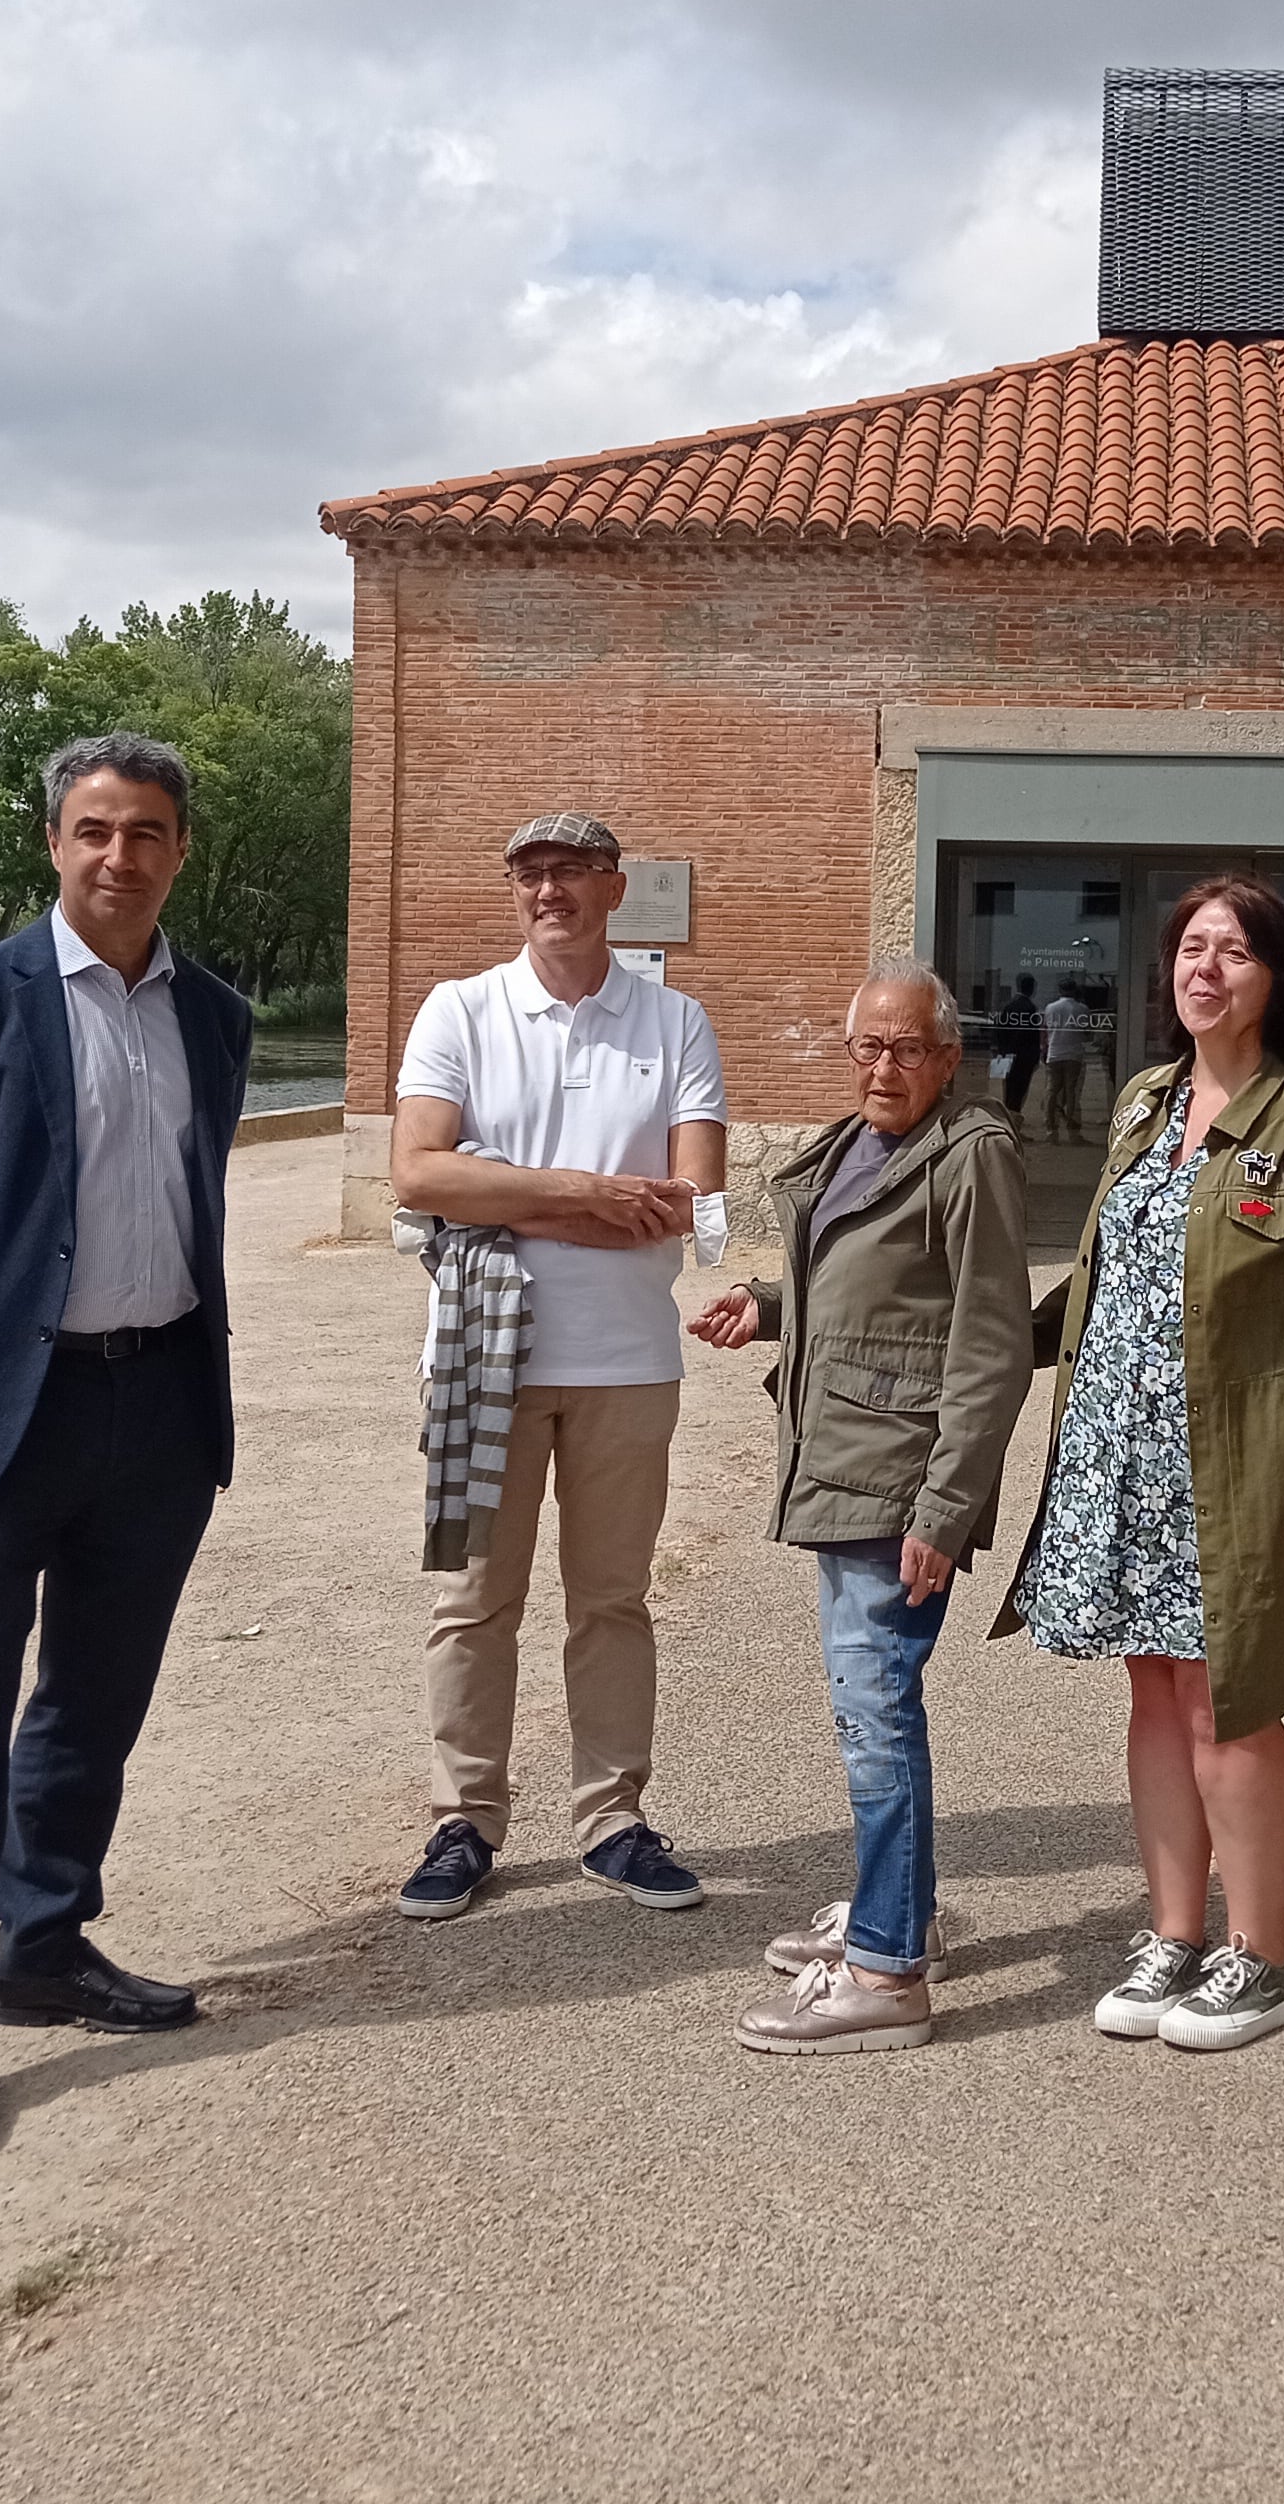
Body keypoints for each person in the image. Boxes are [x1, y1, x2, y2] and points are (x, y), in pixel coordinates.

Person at [0, 734, 253, 2165]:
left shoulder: (213, 1012)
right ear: (53, 842)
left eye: (146, 832)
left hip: (153, 1411)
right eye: (93, 829)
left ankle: (47, 1943)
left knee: (92, 1704)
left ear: (179, 851)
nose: (118, 855)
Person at [992, 875, 1284, 2053]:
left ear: (1277, 976)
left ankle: (1258, 1953)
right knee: (1151, 1683)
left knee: (1228, 1701)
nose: (1204, 968)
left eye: (1232, 950)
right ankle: (1174, 1930)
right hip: (1118, 1454)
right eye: (1189, 947)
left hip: (1237, 1463)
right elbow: (1094, 1283)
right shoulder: (1139, 1102)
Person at [388, 810, 729, 1922]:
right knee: (473, 1597)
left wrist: (507, 1195)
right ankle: (463, 1817)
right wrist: (587, 1194)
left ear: (613, 887)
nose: (550, 891)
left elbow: (690, 1203)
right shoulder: (462, 1010)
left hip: (627, 1360)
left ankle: (612, 1818)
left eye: (571, 872)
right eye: (530, 872)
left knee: (612, 1600)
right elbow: (419, 1177)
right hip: (485, 1354)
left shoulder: (676, 1021)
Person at [688, 961, 1030, 2053]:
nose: (884, 1067)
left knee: (875, 1711)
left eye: (907, 1049)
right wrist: (773, 1302)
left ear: (947, 1058)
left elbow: (988, 1344)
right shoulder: (853, 1147)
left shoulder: (970, 1156)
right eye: (867, 1048)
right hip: (839, 1463)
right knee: (870, 1707)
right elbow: (879, 1292)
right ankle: (906, 1916)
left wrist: (946, 1505)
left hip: (897, 1480)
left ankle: (884, 1970)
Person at [1037, 978, 1090, 1140]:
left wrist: (1044, 1049)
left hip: (1054, 1052)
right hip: (1074, 1054)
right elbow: (1087, 1033)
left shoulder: (1050, 1008)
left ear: (1059, 990)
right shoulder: (1082, 1009)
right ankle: (1071, 1124)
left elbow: (1044, 1031)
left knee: (1051, 1090)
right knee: (1071, 1091)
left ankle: (1050, 1127)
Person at [997, 974, 1045, 1121]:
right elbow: (1032, 1035)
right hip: (1024, 1057)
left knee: (1010, 1091)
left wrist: (1002, 1051)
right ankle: (1013, 1125)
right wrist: (1036, 1056)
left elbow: (1000, 1031)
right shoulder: (1029, 1007)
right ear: (1031, 988)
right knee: (1019, 1092)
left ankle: (1009, 1122)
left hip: (1008, 1056)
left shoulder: (1009, 1006)